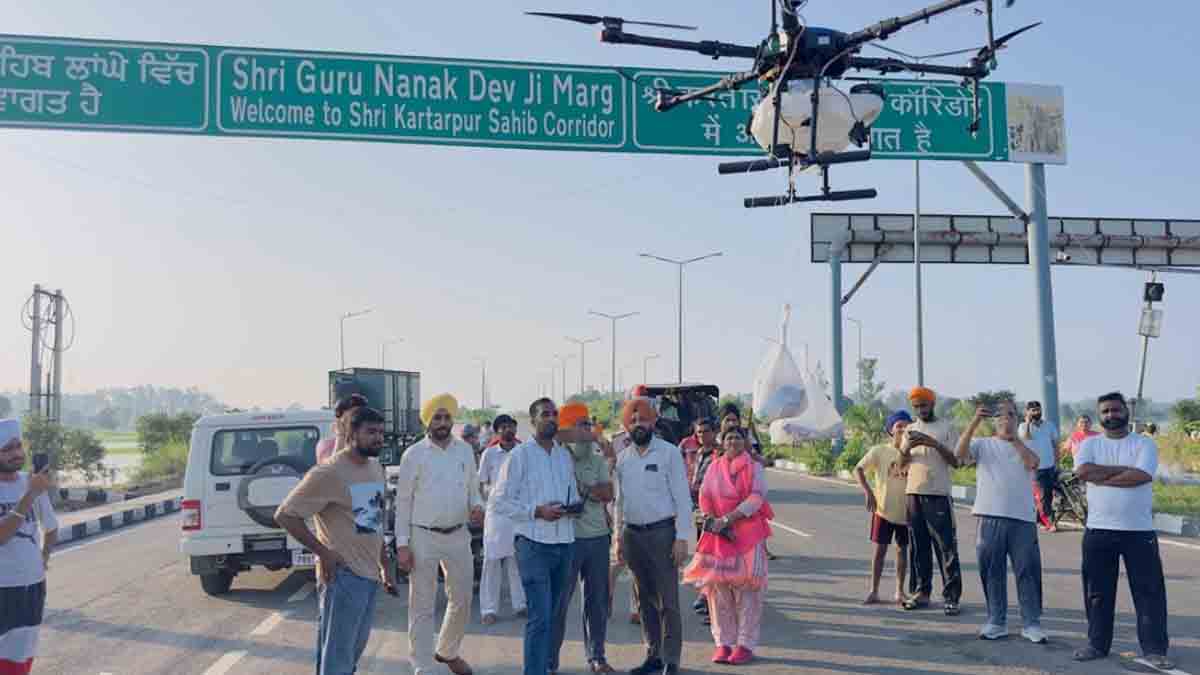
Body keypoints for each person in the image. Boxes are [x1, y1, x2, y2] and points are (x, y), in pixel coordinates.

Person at [275, 407, 393, 675]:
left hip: (368, 576)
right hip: (344, 577)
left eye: (381, 432)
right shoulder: (329, 472)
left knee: (347, 657)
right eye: (371, 432)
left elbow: (370, 522)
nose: (378, 438)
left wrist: (384, 565)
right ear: (351, 433)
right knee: (338, 661)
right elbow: (285, 515)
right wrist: (323, 552)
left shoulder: (374, 468)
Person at [1072, 392, 1172, 669]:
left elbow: (1141, 476)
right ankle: (1097, 644)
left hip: (1138, 531)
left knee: (1149, 592)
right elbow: (1083, 472)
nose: (1110, 415)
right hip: (1098, 529)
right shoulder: (1090, 444)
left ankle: (1155, 649)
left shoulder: (1144, 443)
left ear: (1125, 412)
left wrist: (1102, 476)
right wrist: (1124, 471)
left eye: (1115, 410)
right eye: (1105, 411)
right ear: (1099, 415)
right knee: (1097, 593)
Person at [393, 394, 484, 675]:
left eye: (447, 417)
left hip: (458, 534)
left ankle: (447, 651)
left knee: (463, 598)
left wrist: (477, 507)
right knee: (422, 604)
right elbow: (403, 502)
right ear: (428, 421)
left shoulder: (465, 451)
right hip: (423, 536)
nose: (443, 423)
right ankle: (422, 666)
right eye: (437, 418)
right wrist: (402, 545)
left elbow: (473, 489)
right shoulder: (413, 455)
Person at [490, 398, 579, 675]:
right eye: (545, 414)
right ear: (533, 421)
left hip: (565, 543)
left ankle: (547, 667)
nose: (551, 418)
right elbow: (499, 501)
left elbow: (572, 493)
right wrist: (536, 511)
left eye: (554, 414)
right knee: (540, 617)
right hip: (533, 545)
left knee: (554, 616)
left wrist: (573, 507)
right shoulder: (520, 455)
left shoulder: (563, 455)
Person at [955, 401, 1047, 644]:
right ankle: (996, 621)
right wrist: (974, 422)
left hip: (1022, 519)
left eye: (1011, 415)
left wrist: (1014, 440)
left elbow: (1033, 463)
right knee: (992, 570)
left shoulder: (1027, 443)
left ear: (1017, 419)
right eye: (1001, 415)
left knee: (1027, 570)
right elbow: (959, 455)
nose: (1006, 419)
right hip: (989, 516)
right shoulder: (982, 444)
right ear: (994, 420)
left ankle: (1031, 623)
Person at [613, 398, 693, 675]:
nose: (638, 424)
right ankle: (653, 655)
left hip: (662, 534)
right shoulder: (623, 459)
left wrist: (682, 538)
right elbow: (620, 502)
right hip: (632, 535)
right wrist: (618, 538)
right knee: (644, 599)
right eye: (633, 421)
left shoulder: (669, 453)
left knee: (668, 601)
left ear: (654, 422)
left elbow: (682, 498)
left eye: (643, 419)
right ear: (627, 426)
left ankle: (671, 659)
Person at [683, 427, 774, 665]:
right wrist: (711, 519)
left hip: (748, 534)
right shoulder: (714, 467)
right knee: (718, 593)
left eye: (738, 437)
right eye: (729, 437)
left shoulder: (754, 468)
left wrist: (729, 519)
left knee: (748, 594)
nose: (733, 441)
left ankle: (745, 645)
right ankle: (723, 643)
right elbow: (705, 495)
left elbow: (757, 497)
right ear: (722, 442)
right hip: (718, 535)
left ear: (745, 442)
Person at [550, 403, 616, 674]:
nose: (588, 429)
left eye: (589, 424)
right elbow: (555, 434)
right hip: (567, 539)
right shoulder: (558, 455)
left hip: (598, 537)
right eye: (582, 424)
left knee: (596, 601)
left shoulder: (597, 459)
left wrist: (583, 488)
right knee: (559, 602)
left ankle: (597, 657)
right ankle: (550, 661)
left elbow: (608, 493)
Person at [0, 419, 58, 675]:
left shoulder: (32, 482)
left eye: (18, 446)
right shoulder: (32, 488)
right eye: (7, 449)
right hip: (2, 586)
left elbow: (51, 527)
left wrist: (43, 559)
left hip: (32, 587)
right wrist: (29, 495)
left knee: (21, 659)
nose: (16, 453)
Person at [900, 386, 964, 615]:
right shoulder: (910, 429)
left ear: (932, 404)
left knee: (946, 547)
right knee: (918, 547)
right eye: (916, 407)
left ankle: (951, 597)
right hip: (913, 493)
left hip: (938, 494)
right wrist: (906, 448)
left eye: (924, 405)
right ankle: (921, 592)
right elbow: (902, 465)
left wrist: (932, 443)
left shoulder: (946, 428)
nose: (921, 410)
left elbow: (956, 461)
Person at [854, 411, 911, 606]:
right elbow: (858, 469)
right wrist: (868, 492)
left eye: (906, 425)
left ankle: (900, 592)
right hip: (883, 510)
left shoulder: (914, 453)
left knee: (902, 551)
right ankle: (874, 591)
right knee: (880, 551)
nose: (903, 429)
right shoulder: (879, 451)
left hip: (906, 512)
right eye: (899, 426)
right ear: (890, 430)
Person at [478, 414, 526, 624]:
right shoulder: (489, 454)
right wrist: (490, 499)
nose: (509, 430)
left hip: (519, 512)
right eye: (504, 427)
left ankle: (520, 605)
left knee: (517, 560)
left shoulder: (523, 451)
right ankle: (489, 609)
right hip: (496, 515)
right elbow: (481, 483)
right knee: (492, 561)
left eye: (511, 426)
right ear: (497, 432)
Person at [1019, 401, 1061, 533]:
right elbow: (1026, 438)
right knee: (1043, 496)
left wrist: (1057, 462)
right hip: (1036, 468)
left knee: (1048, 495)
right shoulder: (1023, 426)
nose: (1036, 412)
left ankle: (1037, 519)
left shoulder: (1049, 425)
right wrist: (1028, 422)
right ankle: (1048, 523)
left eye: (1038, 409)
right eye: (1033, 410)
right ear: (1027, 412)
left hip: (1050, 466)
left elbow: (1055, 444)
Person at [315, 393, 368, 465]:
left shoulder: (365, 444)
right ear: (339, 420)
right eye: (352, 416)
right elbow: (332, 467)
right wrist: (340, 435)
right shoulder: (326, 445)